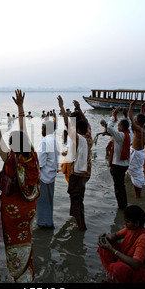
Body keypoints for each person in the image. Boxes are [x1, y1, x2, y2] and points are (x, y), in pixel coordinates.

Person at [0, 90, 40, 283]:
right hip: (29, 210)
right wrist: (20, 107)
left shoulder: (10, 159)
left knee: (14, 244)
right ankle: (28, 273)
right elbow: (23, 131)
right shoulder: (31, 157)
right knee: (26, 238)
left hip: (12, 211)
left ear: (12, 146)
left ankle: (19, 277)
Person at [97, 205, 145, 283]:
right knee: (104, 248)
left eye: (127, 221)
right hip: (134, 265)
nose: (125, 223)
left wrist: (112, 249)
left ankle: (118, 277)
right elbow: (115, 235)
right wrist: (105, 237)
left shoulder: (144, 238)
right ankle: (115, 275)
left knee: (119, 268)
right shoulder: (131, 229)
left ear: (136, 223)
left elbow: (136, 264)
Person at [58, 96, 92, 231]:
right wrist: (79, 109)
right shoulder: (88, 136)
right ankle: (75, 218)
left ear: (77, 130)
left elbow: (67, 124)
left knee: (75, 198)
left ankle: (81, 226)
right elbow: (86, 122)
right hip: (85, 172)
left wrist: (61, 107)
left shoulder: (79, 139)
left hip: (77, 173)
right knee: (79, 197)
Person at [106, 107, 131, 210]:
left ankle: (121, 207)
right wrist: (126, 116)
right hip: (124, 164)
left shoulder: (120, 136)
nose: (118, 127)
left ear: (122, 127)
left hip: (118, 165)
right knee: (121, 186)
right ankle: (123, 204)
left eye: (119, 125)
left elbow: (109, 128)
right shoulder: (129, 134)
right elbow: (130, 125)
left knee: (118, 187)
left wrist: (113, 116)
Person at [36, 120, 59, 228]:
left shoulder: (45, 141)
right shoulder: (54, 141)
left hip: (44, 177)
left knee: (42, 203)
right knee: (48, 202)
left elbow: (40, 163)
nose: (41, 131)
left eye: (42, 128)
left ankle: (44, 224)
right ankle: (48, 222)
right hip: (51, 176)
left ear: (45, 130)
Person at [127, 99, 145, 198]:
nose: (134, 120)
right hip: (141, 152)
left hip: (136, 153)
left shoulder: (138, 129)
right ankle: (136, 192)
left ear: (138, 122)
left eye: (136, 119)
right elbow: (142, 117)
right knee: (137, 170)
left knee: (136, 173)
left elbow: (130, 118)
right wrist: (142, 107)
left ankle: (137, 196)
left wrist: (131, 106)